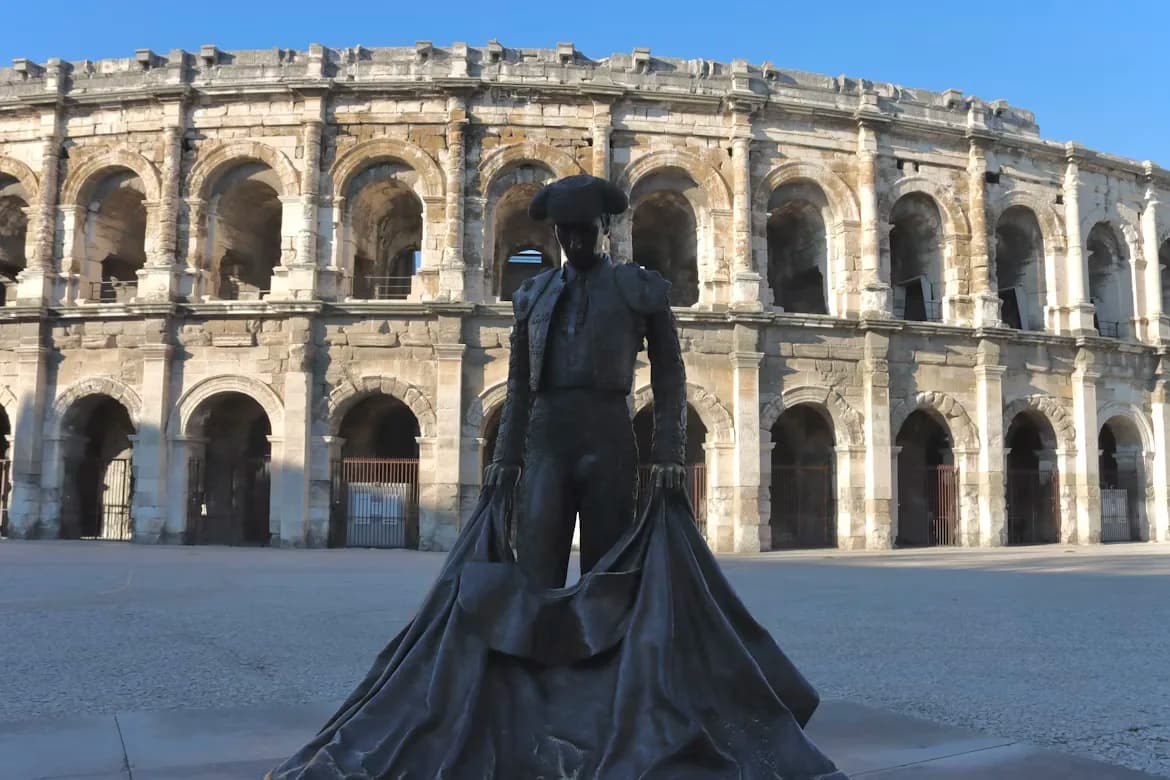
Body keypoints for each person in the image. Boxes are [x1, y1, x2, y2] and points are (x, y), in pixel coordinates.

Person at [484, 174, 688, 589]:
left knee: (608, 571)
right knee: (536, 565)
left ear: (607, 228)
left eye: (585, 231)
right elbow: (519, 382)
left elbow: (669, 373)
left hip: (607, 429)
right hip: (547, 434)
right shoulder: (532, 294)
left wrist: (669, 450)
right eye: (565, 233)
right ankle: (538, 650)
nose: (575, 242)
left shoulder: (639, 287)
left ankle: (601, 652)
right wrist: (507, 457)